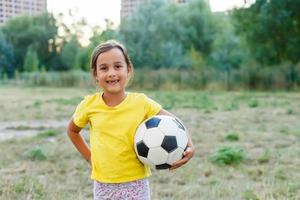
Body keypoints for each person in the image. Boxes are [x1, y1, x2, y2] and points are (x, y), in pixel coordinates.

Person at [67, 40, 195, 200]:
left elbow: (174, 121)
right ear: (95, 75)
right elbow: (72, 130)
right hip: (103, 184)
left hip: (136, 183)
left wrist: (190, 145)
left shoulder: (141, 102)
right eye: (104, 68)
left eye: (118, 66)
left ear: (128, 69)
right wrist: (90, 157)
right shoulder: (89, 105)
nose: (111, 73)